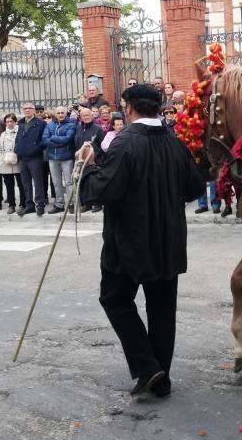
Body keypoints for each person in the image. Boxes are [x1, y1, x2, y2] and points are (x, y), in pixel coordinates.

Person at [78, 84, 205, 398]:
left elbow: (103, 191)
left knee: (115, 299)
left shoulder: (124, 144)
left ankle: (149, 368)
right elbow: (194, 187)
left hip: (129, 243)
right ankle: (160, 378)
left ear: (129, 108)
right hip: (169, 238)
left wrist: (90, 166)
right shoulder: (175, 143)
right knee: (162, 308)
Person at [42, 106, 76, 215]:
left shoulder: (71, 124)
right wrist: (57, 141)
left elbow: (67, 139)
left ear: (66, 114)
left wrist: (53, 137)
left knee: (69, 182)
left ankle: (71, 204)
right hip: (52, 158)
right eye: (58, 113)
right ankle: (59, 204)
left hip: (66, 158)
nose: (60, 114)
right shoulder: (50, 125)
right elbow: (45, 140)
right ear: (55, 114)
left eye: (62, 112)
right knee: (56, 182)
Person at [14, 102, 46, 217]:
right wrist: (17, 150)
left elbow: (44, 141)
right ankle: (29, 205)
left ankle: (40, 205)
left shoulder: (40, 123)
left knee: (37, 182)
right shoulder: (21, 123)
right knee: (25, 183)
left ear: (34, 110)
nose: (27, 110)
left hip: (34, 157)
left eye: (30, 108)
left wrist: (34, 149)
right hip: (22, 158)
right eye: (25, 108)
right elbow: (18, 139)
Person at [0, 114, 22, 214]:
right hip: (5, 162)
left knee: (21, 184)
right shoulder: (3, 134)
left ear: (15, 122)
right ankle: (11, 205)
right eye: (7, 121)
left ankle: (22, 204)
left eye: (11, 121)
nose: (9, 123)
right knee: (8, 185)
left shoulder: (20, 131)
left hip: (17, 162)